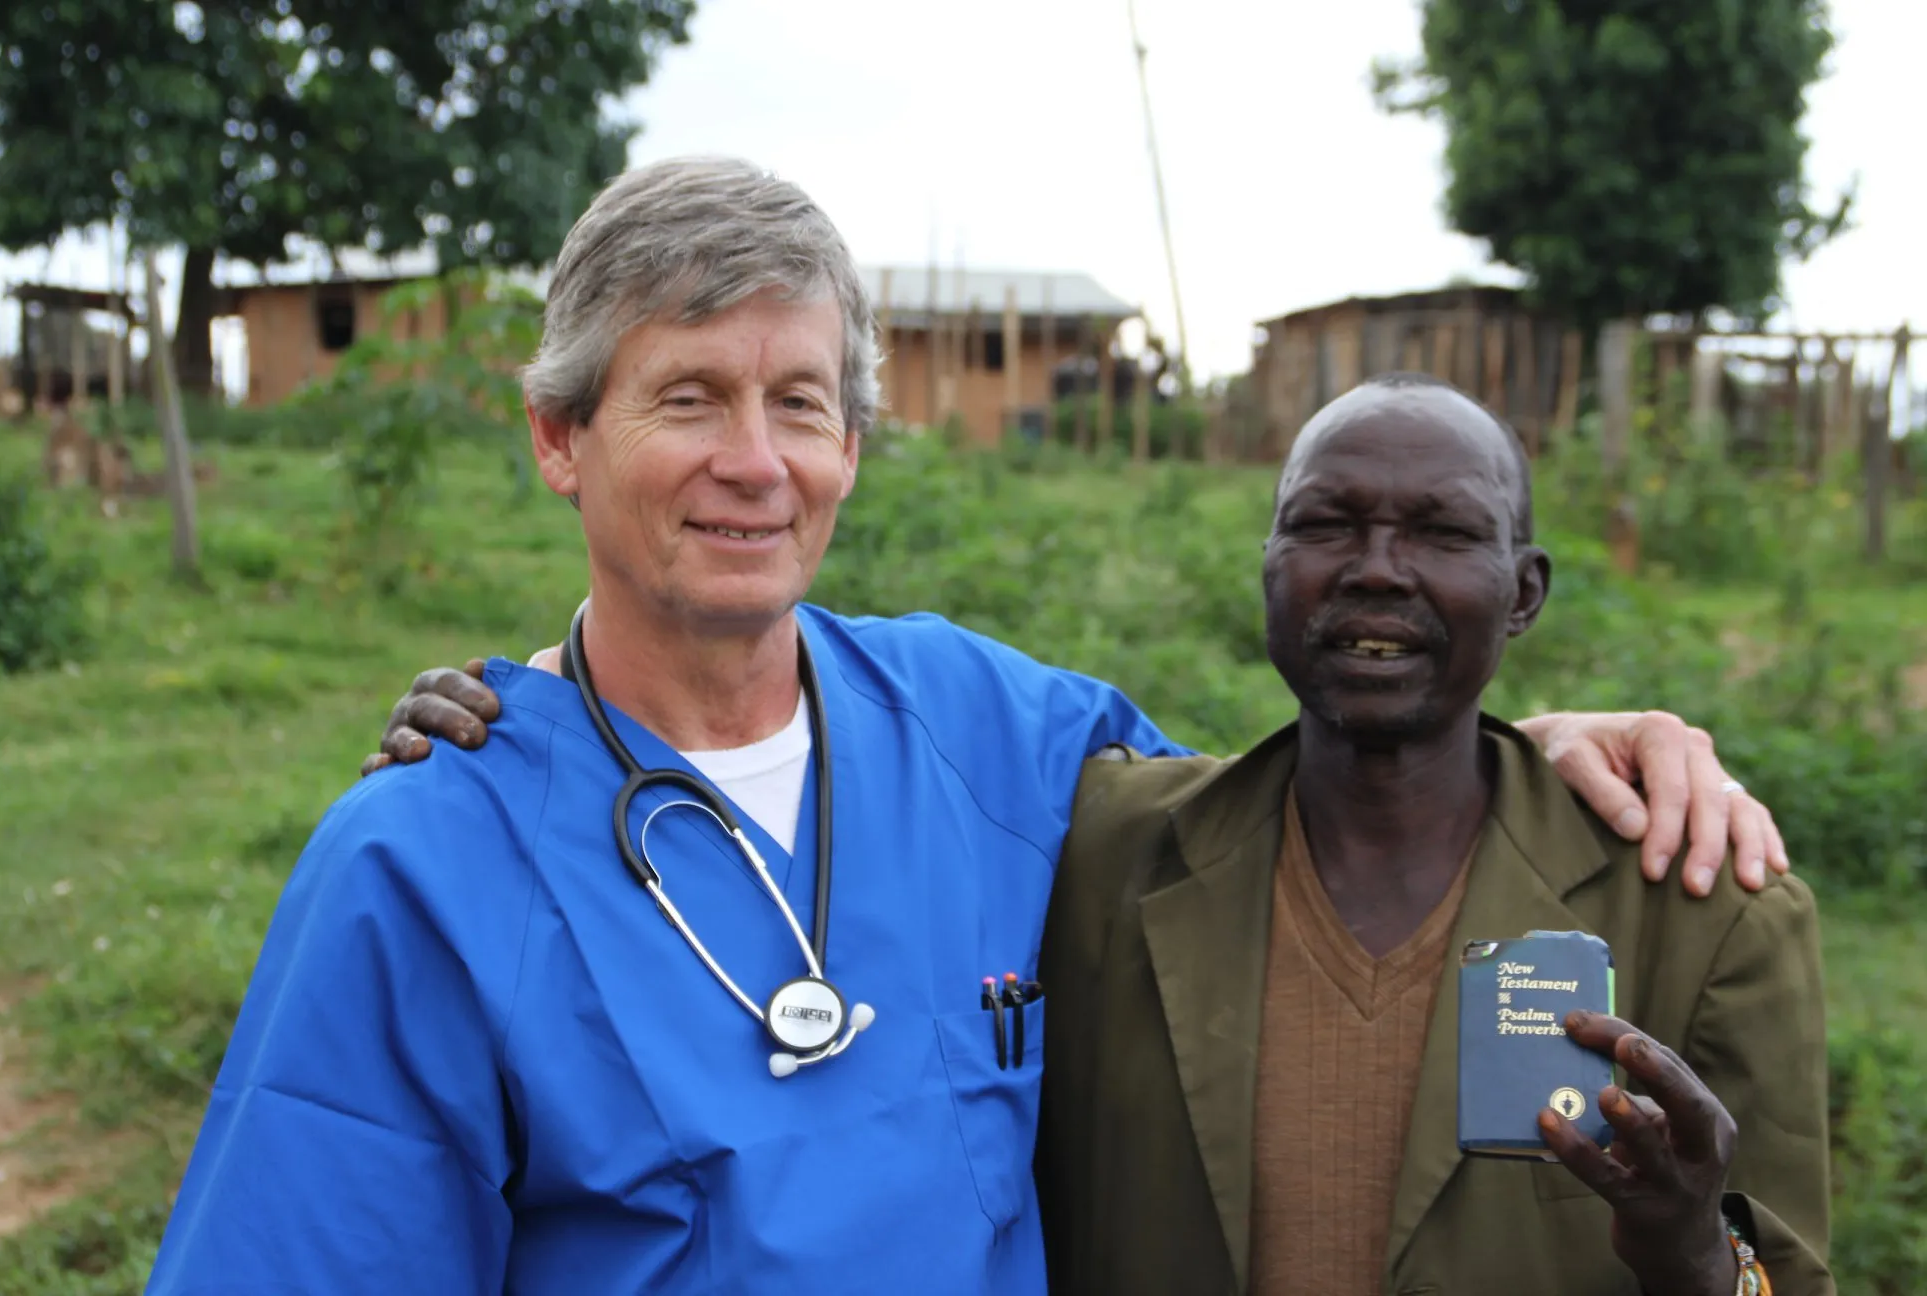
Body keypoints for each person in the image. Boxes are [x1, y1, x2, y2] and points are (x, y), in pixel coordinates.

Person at [228, 155, 1783, 1294]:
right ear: (561, 438)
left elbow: (1311, 816)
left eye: (803, 404)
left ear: (853, 447)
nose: (755, 463)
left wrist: (1552, 734)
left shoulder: (1000, 740)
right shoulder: (429, 853)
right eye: (687, 399)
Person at [1033, 373, 1829, 1295]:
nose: (1376, 567)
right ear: (1269, 567)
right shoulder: (1096, 854)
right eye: (1327, 523)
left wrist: (1691, 1250)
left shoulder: (1706, 913)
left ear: (1524, 594)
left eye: (1444, 532)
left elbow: (1790, 1277)